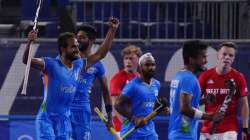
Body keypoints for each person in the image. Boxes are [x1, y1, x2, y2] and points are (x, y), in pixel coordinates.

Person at [22, 17, 119, 140]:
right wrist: (29, 42)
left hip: (66, 119)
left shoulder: (79, 65)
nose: (77, 48)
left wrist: (112, 31)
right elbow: (27, 60)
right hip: (47, 119)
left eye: (77, 45)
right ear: (63, 49)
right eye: (74, 46)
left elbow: (100, 54)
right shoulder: (52, 64)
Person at [168, 40, 224, 140]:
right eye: (203, 57)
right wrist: (210, 117)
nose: (206, 61)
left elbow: (181, 103)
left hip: (177, 133)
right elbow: (185, 108)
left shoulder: (179, 76)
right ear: (191, 60)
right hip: (183, 135)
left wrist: (204, 100)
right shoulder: (189, 79)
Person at [198, 42, 250, 140]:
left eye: (231, 55)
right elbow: (194, 102)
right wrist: (205, 100)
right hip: (207, 130)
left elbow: (244, 104)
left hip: (229, 130)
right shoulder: (205, 76)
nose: (227, 57)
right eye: (224, 54)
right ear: (218, 55)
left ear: (234, 58)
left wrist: (245, 128)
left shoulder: (239, 77)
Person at [70, 24, 113, 140]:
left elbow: (106, 91)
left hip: (82, 111)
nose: (77, 40)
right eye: (76, 37)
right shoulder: (67, 59)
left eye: (82, 37)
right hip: (64, 109)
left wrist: (110, 116)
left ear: (91, 40)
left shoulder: (97, 65)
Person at [115, 52, 162, 140]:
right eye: (147, 65)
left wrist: (160, 107)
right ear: (140, 68)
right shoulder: (132, 85)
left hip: (150, 132)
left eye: (153, 65)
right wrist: (134, 119)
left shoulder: (156, 84)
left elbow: (150, 104)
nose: (151, 67)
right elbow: (117, 105)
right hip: (132, 132)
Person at [110, 45, 142, 132]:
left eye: (131, 58)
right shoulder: (117, 78)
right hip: (123, 128)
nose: (128, 61)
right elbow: (115, 105)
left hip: (137, 126)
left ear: (139, 60)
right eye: (126, 58)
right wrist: (126, 123)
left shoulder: (140, 77)